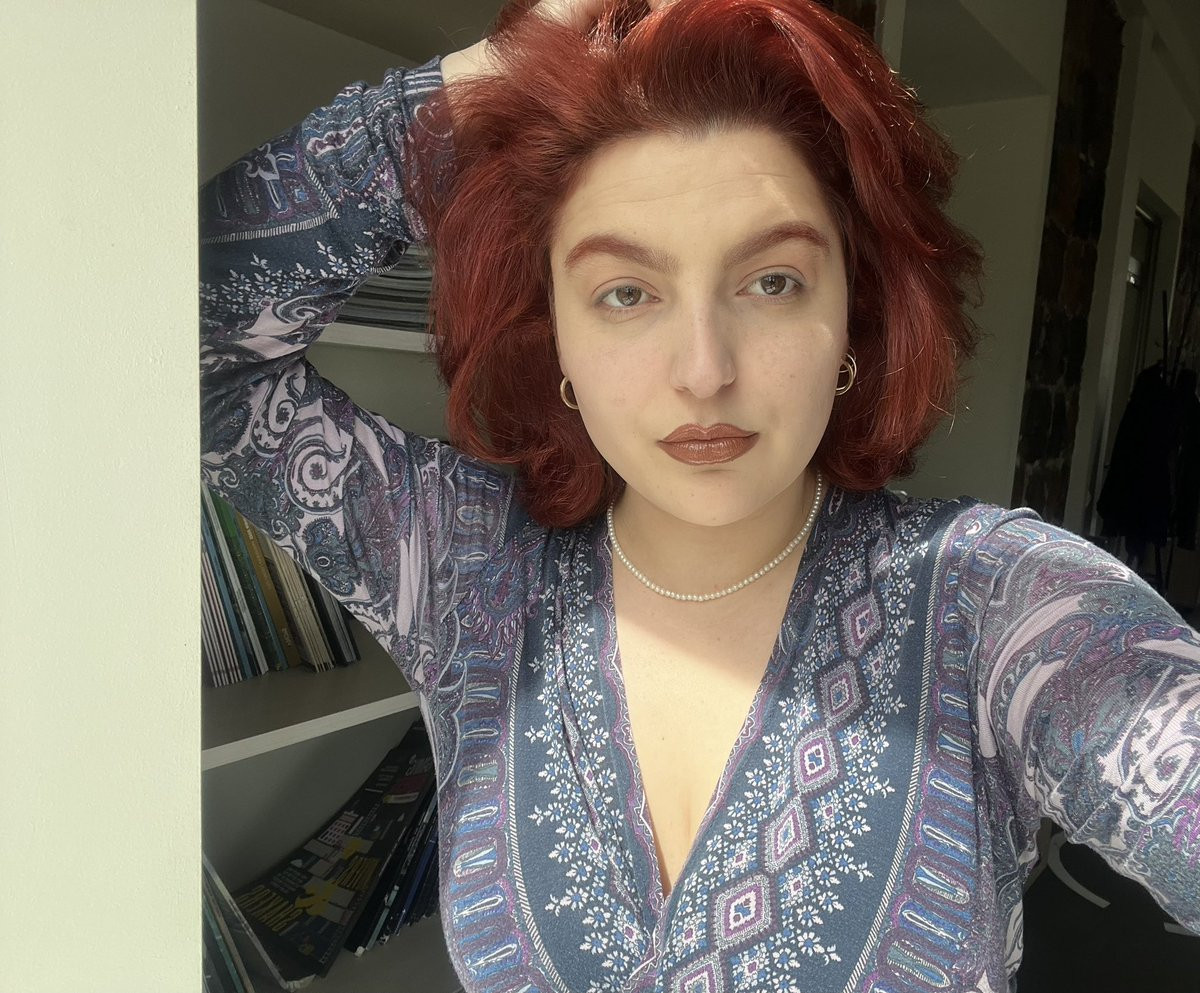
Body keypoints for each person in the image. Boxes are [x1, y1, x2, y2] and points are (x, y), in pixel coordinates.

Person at [199, 0, 1200, 990]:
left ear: (855, 311)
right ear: (554, 335)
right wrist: (473, 92)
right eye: (625, 293)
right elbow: (185, 336)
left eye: (773, 281)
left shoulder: (994, 603)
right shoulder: (463, 567)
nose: (704, 371)